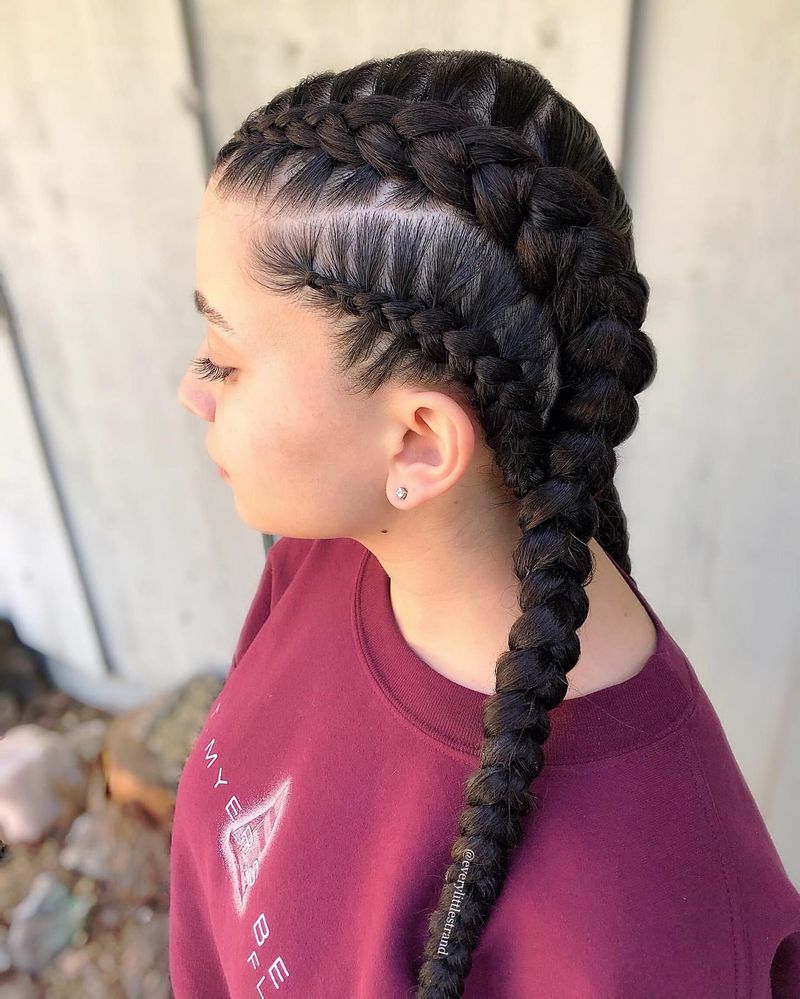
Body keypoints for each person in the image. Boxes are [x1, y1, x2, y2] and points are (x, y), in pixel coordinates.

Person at [170, 48, 800, 998]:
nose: (191, 390)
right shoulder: (332, 553)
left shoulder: (647, 931)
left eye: (225, 356)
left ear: (420, 445)